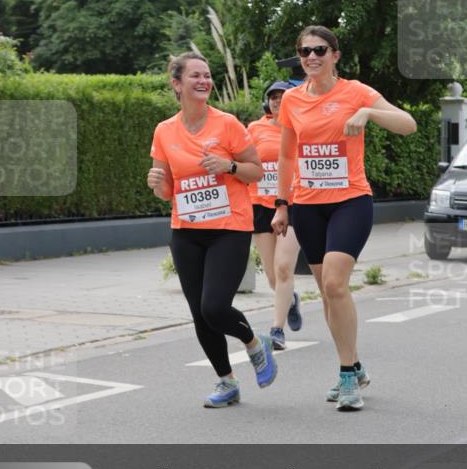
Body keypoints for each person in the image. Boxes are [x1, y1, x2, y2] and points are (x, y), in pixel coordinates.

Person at [272, 26, 417, 411]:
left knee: (336, 284)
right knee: (327, 292)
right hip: (307, 205)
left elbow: (408, 124)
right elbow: (287, 156)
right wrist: (282, 203)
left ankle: (348, 375)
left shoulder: (356, 93)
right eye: (304, 51)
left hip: (350, 201)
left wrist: (369, 112)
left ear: (335, 55)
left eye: (319, 50)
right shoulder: (290, 101)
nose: (311, 57)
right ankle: (351, 364)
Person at [148, 52, 277, 408]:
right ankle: (226, 382)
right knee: (199, 313)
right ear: (177, 84)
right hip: (186, 231)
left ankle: (255, 343)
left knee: (215, 307)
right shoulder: (164, 131)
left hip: (228, 228)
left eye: (207, 75)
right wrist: (156, 181)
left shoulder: (227, 124)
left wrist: (229, 165)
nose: (204, 81)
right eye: (195, 76)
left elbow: (257, 171)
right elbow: (166, 191)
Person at [248, 81, 304, 351]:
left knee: (284, 268)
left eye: (283, 97)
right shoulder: (254, 129)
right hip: (260, 205)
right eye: (273, 97)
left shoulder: (302, 128)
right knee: (272, 277)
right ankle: (290, 299)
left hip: (293, 204)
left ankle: (277, 330)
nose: (277, 101)